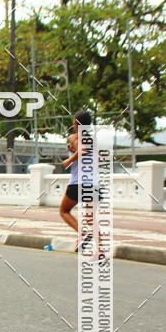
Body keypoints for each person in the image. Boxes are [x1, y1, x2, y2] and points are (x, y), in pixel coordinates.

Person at [60, 109, 101, 256]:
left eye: (73, 121)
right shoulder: (94, 140)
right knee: (92, 219)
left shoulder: (74, 137)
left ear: (77, 123)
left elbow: (82, 150)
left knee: (64, 211)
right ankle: (100, 251)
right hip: (94, 183)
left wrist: (68, 160)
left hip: (78, 183)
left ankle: (82, 233)